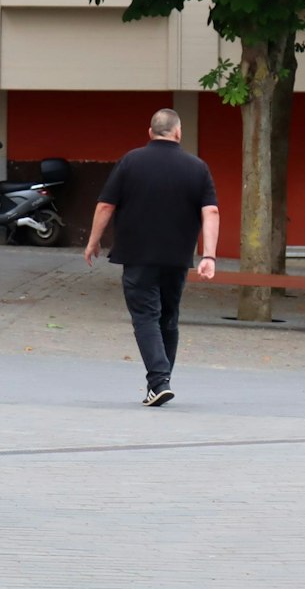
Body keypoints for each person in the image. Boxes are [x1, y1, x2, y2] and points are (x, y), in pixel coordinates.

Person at [85, 108, 220, 407]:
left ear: (150, 132)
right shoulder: (197, 167)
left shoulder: (130, 161)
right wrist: (208, 255)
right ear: (178, 132)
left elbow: (105, 205)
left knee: (146, 317)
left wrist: (93, 241)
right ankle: (160, 383)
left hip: (137, 256)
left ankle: (159, 381)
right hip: (177, 258)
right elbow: (210, 211)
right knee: (168, 318)